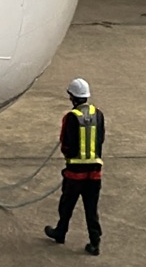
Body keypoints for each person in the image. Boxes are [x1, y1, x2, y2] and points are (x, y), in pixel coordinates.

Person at [43, 77, 105, 255]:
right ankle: (95, 242)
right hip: (94, 173)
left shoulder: (71, 117)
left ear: (72, 97)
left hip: (75, 173)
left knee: (67, 205)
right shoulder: (98, 114)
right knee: (91, 209)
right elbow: (101, 139)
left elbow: (66, 144)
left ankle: (60, 232)